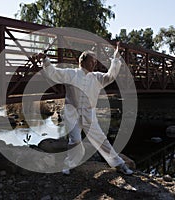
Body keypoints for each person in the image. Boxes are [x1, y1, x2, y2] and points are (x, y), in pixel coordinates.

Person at [36, 44, 133, 175]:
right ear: (82, 62)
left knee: (101, 140)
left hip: (89, 114)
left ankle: (119, 164)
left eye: (94, 62)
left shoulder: (98, 77)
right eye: (91, 61)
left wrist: (115, 58)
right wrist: (45, 60)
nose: (94, 64)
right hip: (72, 114)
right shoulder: (71, 74)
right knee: (75, 141)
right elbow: (54, 73)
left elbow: (111, 76)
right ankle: (69, 164)